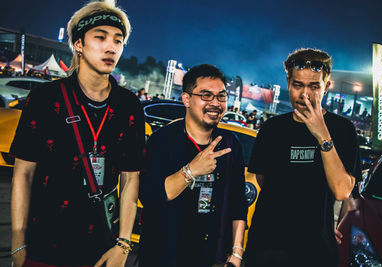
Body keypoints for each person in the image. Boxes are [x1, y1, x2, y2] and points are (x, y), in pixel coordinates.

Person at [10, 1, 145, 266]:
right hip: (44, 244)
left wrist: (124, 244)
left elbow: (131, 178)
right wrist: (17, 241)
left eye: (118, 40)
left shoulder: (128, 105)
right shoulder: (45, 98)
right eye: (100, 37)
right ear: (79, 44)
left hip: (102, 249)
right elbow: (23, 174)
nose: (111, 47)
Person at [245, 48, 361, 267]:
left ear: (326, 87)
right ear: (288, 82)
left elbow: (342, 190)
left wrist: (322, 134)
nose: (305, 94)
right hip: (266, 246)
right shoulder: (272, 128)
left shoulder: (343, 130)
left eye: (314, 86)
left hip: (314, 249)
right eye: (298, 85)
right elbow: (263, 180)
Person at [139, 64, 248, 267]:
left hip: (208, 255)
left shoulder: (230, 144)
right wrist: (191, 171)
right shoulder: (163, 140)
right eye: (206, 95)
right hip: (163, 254)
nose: (215, 103)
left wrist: (236, 252)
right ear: (187, 99)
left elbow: (238, 204)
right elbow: (149, 196)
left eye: (221, 96)